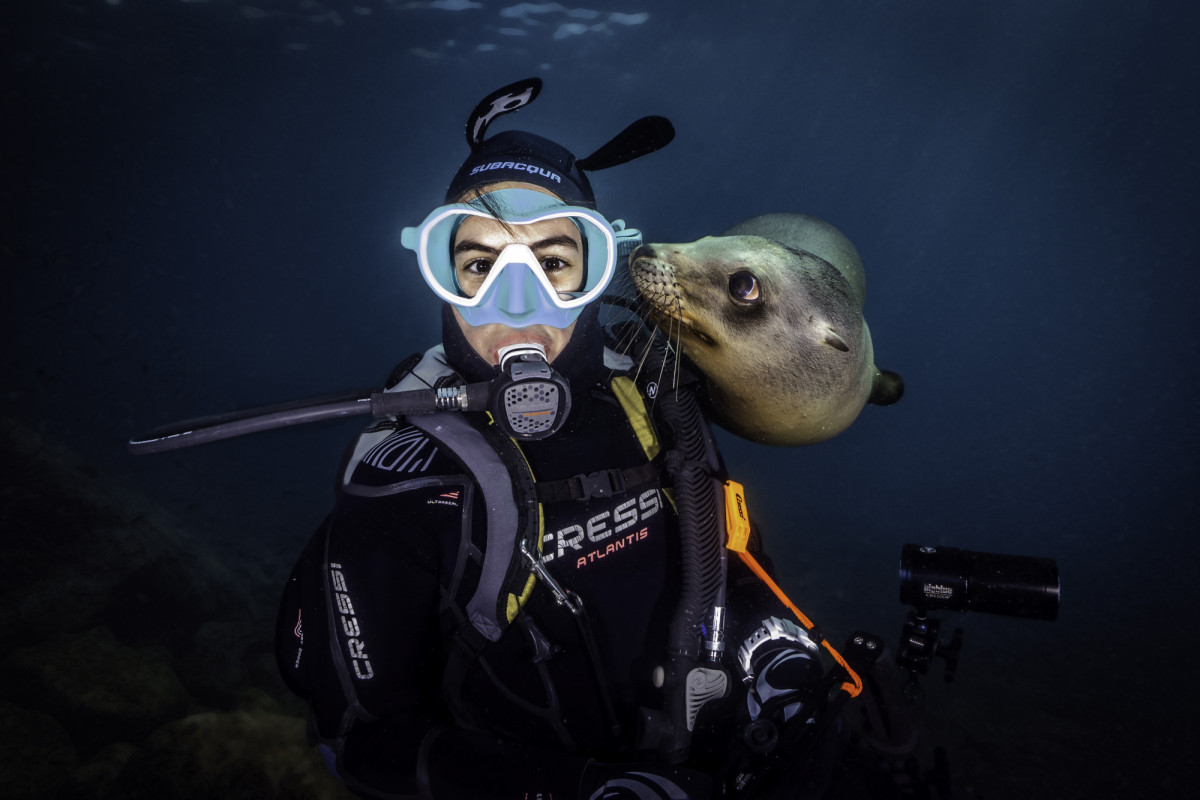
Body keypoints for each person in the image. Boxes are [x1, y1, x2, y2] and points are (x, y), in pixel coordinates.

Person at [274, 78, 839, 799]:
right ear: (441, 276)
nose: (518, 305)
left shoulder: (657, 396)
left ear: (596, 272)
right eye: (480, 265)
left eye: (554, 263)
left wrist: (777, 659)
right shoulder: (402, 485)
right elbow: (361, 741)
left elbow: (730, 561)